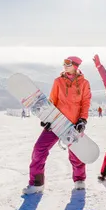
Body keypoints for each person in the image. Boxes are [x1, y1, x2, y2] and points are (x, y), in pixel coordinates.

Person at [22, 56, 92, 194]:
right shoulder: (58, 81)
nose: (64, 65)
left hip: (73, 124)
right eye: (64, 63)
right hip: (57, 121)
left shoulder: (84, 83)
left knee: (76, 154)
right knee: (39, 149)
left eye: (68, 63)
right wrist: (46, 118)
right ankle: (37, 184)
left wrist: (82, 120)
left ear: (76, 66)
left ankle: (79, 180)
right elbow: (52, 101)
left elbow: (85, 102)